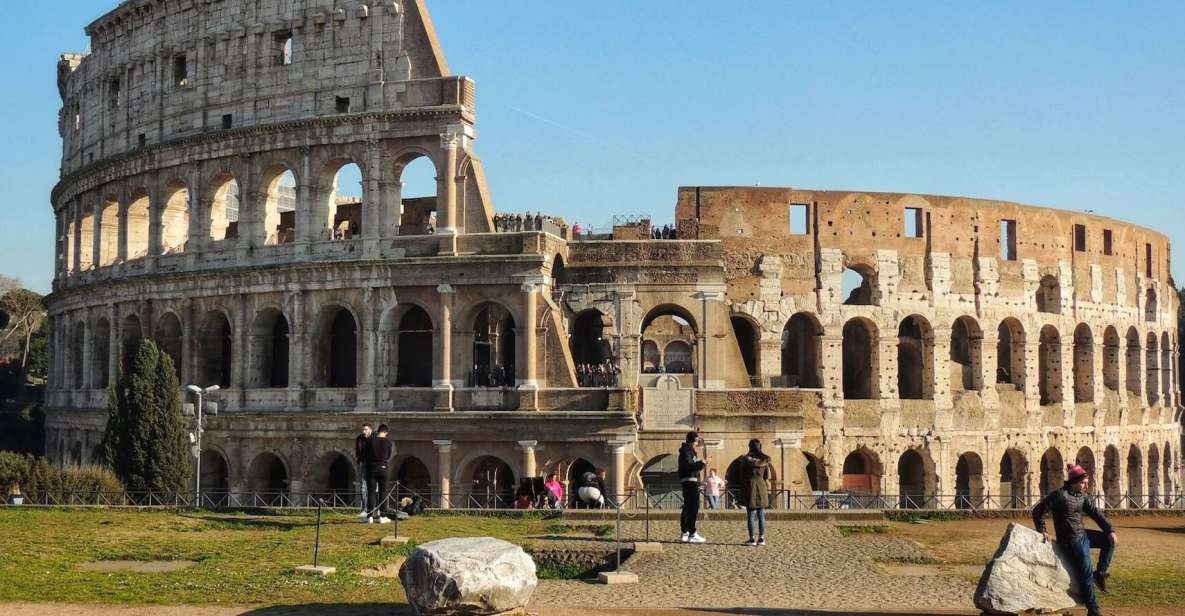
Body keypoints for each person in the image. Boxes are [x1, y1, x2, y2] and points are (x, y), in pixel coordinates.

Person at [1032, 464, 1116, 616]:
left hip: (1083, 535)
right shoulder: (1059, 495)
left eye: (1087, 482)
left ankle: (1101, 573)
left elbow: (1096, 514)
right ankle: (1093, 609)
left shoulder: (1082, 497)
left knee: (1109, 541)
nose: (1087, 485)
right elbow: (1038, 511)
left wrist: (1110, 530)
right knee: (1086, 570)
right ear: (1074, 482)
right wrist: (1042, 531)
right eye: (1084, 482)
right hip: (1070, 540)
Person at [740, 439, 771, 546]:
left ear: (750, 447)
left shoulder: (745, 459)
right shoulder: (765, 460)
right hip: (761, 484)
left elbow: (742, 474)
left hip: (750, 485)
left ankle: (752, 539)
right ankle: (761, 538)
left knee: (751, 514)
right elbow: (767, 475)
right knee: (761, 514)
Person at [678, 431, 708, 543]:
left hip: (690, 481)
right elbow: (689, 466)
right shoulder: (687, 451)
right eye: (696, 441)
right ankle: (692, 533)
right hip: (689, 481)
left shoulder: (688, 451)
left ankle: (685, 532)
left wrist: (701, 464)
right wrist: (702, 462)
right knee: (693, 507)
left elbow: (692, 467)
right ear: (693, 441)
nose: (697, 443)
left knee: (687, 507)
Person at [363, 424, 394, 523]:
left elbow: (365, 454)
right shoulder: (388, 442)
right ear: (386, 432)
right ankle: (382, 516)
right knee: (383, 493)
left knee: (371, 492)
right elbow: (388, 455)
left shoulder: (370, 441)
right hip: (383, 468)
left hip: (371, 468)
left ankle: (370, 516)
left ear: (378, 431)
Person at [354, 424, 372, 518]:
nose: (363, 431)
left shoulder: (373, 438)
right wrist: (360, 460)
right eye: (363, 430)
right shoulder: (360, 438)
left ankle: (374, 509)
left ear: (370, 430)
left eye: (365, 429)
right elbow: (358, 450)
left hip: (372, 464)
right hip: (363, 462)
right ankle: (364, 509)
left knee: (373, 487)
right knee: (363, 486)